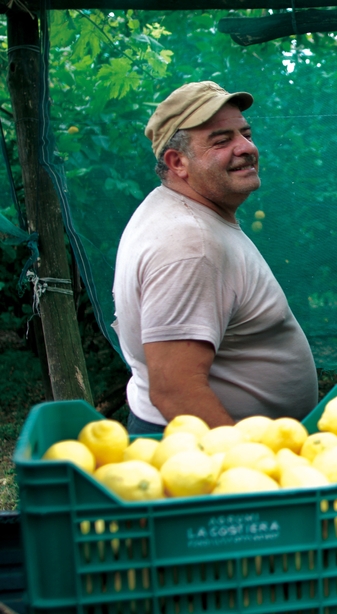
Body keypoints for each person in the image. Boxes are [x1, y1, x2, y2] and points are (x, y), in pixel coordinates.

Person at [112, 81, 318, 434]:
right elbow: (176, 392)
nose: (247, 148)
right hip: (203, 453)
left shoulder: (182, 211)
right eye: (221, 141)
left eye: (246, 133)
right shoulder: (190, 243)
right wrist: (251, 467)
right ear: (178, 162)